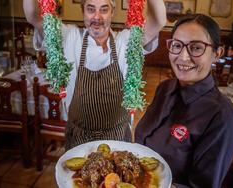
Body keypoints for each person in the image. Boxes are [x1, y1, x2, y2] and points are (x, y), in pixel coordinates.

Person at [23, 0, 167, 150]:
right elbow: (33, 16)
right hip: (79, 139)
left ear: (112, 12)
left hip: (116, 138)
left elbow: (159, 21)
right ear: (83, 12)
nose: (97, 17)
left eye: (104, 10)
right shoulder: (70, 37)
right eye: (91, 9)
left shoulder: (125, 41)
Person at [135, 14, 233, 188]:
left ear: (217, 53)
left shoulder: (223, 118)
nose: (183, 57)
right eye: (177, 45)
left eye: (196, 48)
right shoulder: (165, 88)